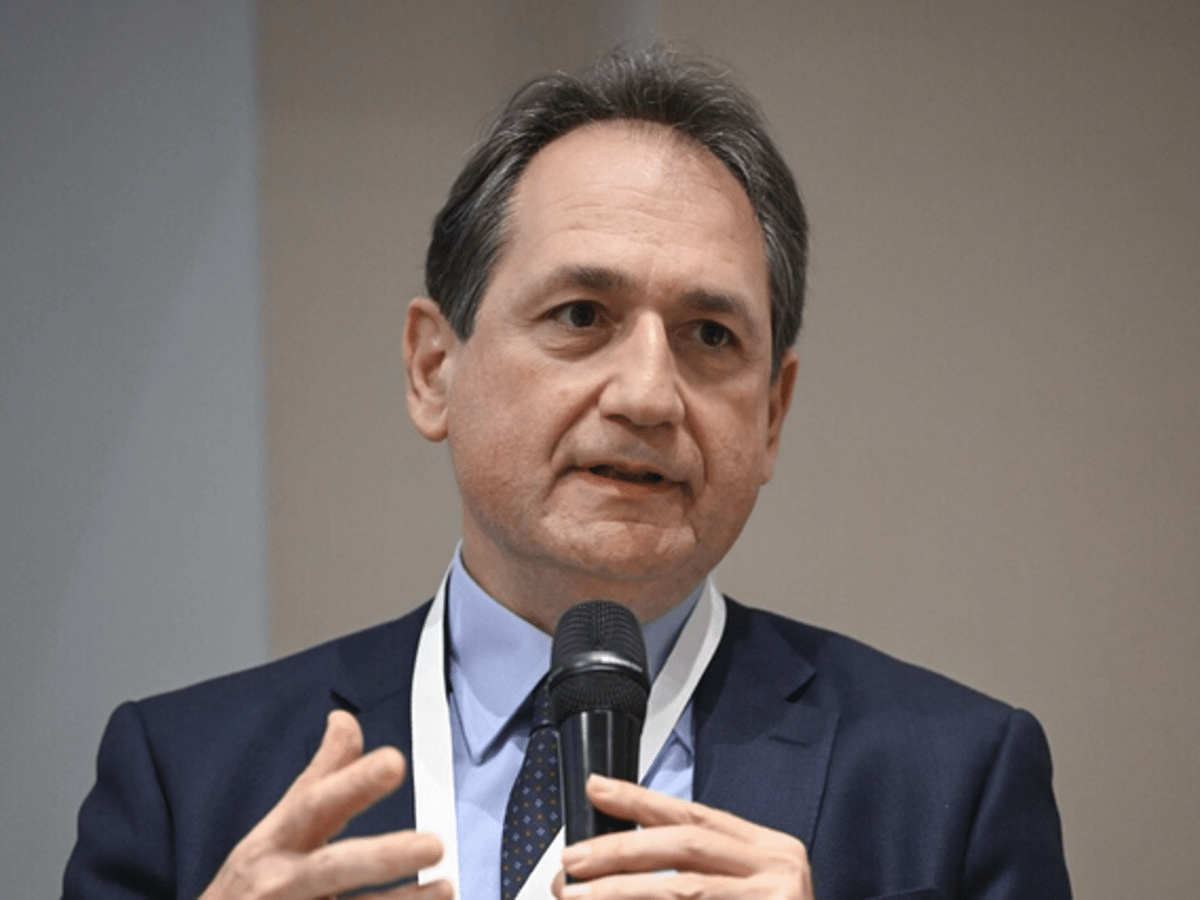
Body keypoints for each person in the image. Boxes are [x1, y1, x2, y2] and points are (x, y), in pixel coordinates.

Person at [63, 47, 1071, 900]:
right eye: (582, 316)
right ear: (433, 368)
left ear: (773, 415)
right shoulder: (186, 779)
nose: (649, 394)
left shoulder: (951, 785)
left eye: (710, 335)